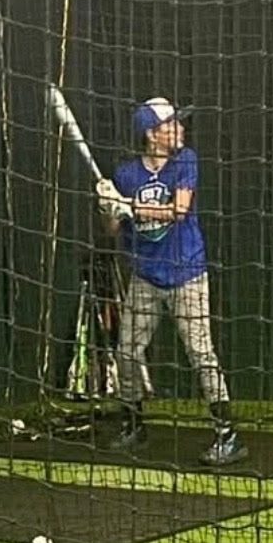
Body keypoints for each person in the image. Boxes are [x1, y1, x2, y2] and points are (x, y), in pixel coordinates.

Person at [95, 97, 247, 467]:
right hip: (145, 277)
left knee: (200, 353)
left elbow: (179, 211)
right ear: (151, 134)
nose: (180, 129)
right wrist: (109, 206)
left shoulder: (185, 161)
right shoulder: (127, 174)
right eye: (172, 125)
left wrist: (130, 206)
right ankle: (133, 424)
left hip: (187, 273)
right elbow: (112, 229)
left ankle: (227, 434)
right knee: (127, 352)